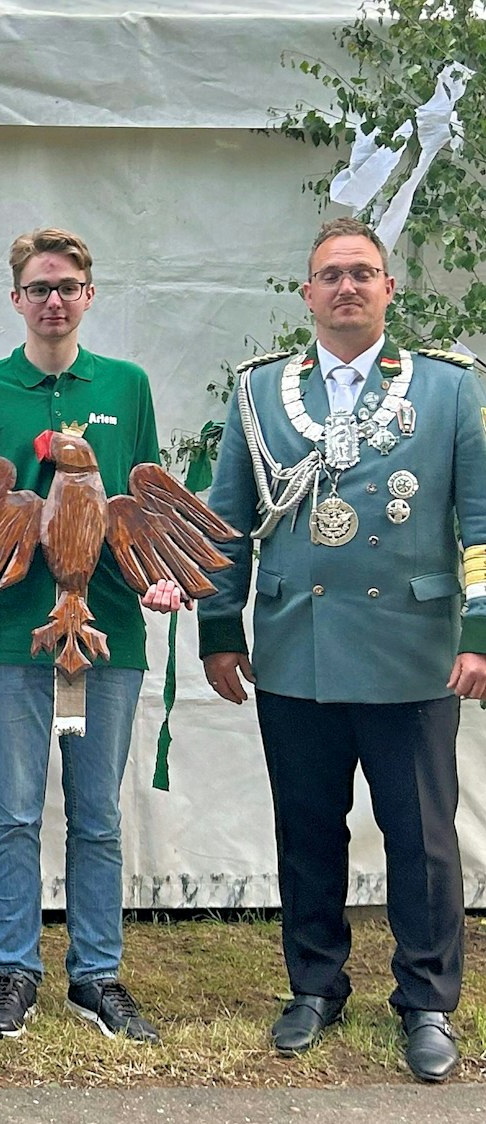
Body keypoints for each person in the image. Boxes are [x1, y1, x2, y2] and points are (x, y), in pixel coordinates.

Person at [197, 217, 486, 1082]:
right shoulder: (257, 395)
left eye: (364, 273)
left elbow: (481, 525)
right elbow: (226, 523)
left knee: (423, 839)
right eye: (331, 275)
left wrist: (480, 635)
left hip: (413, 649)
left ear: (390, 288)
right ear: (307, 294)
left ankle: (428, 1001)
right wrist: (219, 628)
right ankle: (315, 987)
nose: (348, 287)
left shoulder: (450, 389)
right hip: (299, 649)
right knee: (309, 831)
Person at [0, 228, 183, 1043]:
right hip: (8, 632)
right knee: (10, 811)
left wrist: (158, 574)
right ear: (16, 300)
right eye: (38, 288)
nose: (53, 300)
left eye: (67, 286)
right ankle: (14, 968)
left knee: (98, 813)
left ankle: (97, 974)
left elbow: (143, 508)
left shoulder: (126, 385)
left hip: (106, 633)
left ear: (88, 295)